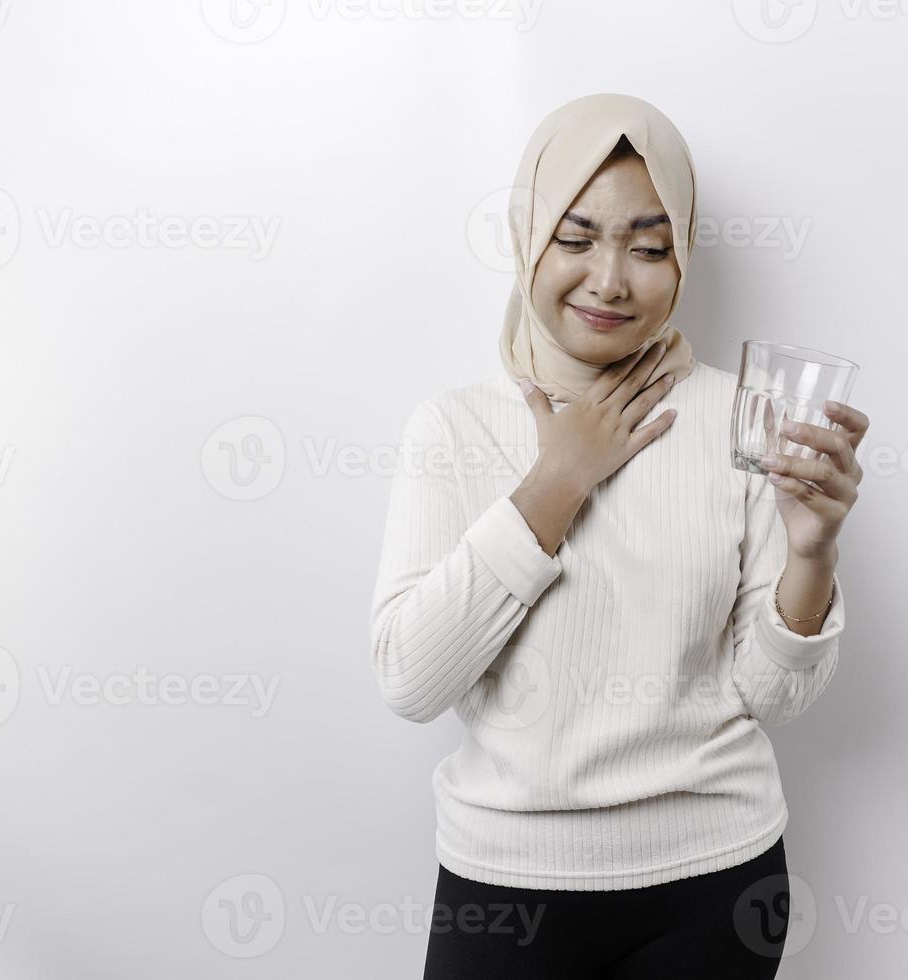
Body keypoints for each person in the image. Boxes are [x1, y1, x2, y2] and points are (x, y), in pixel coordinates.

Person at [370, 92, 870, 979]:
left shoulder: (739, 419)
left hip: (714, 880)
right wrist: (555, 483)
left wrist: (812, 551)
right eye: (575, 239)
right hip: (506, 888)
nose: (610, 280)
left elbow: (773, 697)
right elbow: (411, 680)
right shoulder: (453, 428)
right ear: (529, 239)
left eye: (647, 246)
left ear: (682, 257)